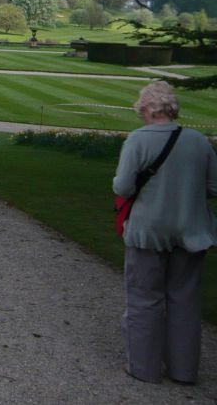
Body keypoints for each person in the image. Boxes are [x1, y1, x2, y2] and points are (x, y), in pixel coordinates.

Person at [113, 81, 217, 385]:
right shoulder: (198, 141)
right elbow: (214, 187)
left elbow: (123, 187)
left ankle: (143, 367)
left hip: (149, 230)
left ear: (146, 108)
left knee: (144, 298)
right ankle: (183, 370)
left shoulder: (138, 139)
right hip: (192, 229)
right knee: (185, 301)